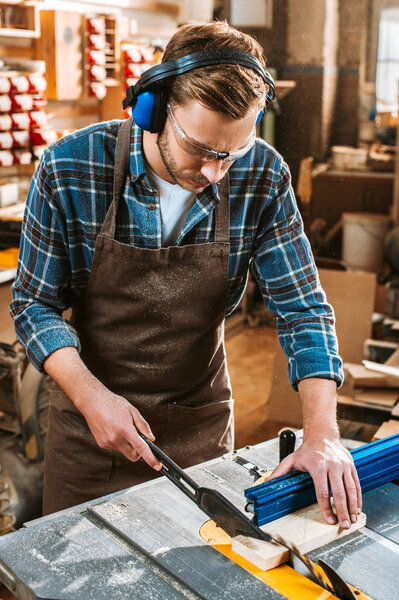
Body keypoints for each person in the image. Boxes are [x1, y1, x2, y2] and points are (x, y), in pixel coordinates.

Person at [10, 21, 361, 527]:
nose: (216, 172)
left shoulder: (261, 174)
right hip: (92, 431)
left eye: (232, 152)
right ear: (154, 107)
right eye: (202, 149)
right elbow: (32, 304)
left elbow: (303, 308)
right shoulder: (70, 167)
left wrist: (322, 434)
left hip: (199, 431)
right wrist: (91, 398)